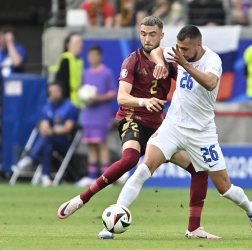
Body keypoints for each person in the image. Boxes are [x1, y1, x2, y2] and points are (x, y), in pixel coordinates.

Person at [57, 16, 220, 240]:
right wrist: (144, 101)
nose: (147, 39)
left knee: (199, 170)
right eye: (143, 34)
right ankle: (82, 199)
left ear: (161, 36)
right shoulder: (131, 61)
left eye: (152, 34)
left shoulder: (173, 60)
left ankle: (193, 229)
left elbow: (188, 79)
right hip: (133, 118)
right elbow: (122, 97)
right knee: (130, 159)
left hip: (160, 127)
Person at [112, 25, 252, 239]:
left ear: (198, 44)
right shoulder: (176, 53)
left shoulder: (212, 60)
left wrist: (185, 64)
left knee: (225, 189)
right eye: (179, 48)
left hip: (202, 132)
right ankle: (114, 220)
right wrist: (160, 63)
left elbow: (211, 83)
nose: (181, 53)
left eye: (185, 49)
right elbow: (156, 49)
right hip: (173, 125)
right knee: (143, 169)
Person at [12, 82, 79, 187]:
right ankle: (45, 176)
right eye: (51, 92)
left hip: (65, 140)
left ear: (61, 91)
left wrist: (51, 131)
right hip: (50, 139)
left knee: (47, 139)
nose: (54, 93)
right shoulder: (47, 107)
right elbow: (44, 125)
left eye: (56, 91)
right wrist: (47, 130)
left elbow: (67, 128)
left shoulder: (70, 107)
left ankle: (30, 159)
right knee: (47, 144)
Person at [75, 45, 117, 187]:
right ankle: (91, 176)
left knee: (101, 144)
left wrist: (98, 98)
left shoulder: (107, 73)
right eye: (90, 55)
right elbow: (82, 91)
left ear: (100, 56)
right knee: (91, 144)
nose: (92, 58)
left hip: (101, 115)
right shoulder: (85, 73)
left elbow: (113, 92)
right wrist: (84, 97)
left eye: (95, 55)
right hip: (88, 115)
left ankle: (106, 178)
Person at [55, 33, 83, 108]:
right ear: (68, 45)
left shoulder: (79, 61)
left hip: (78, 102)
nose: (80, 45)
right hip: (69, 102)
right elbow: (61, 81)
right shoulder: (66, 59)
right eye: (77, 42)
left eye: (81, 42)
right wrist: (66, 98)